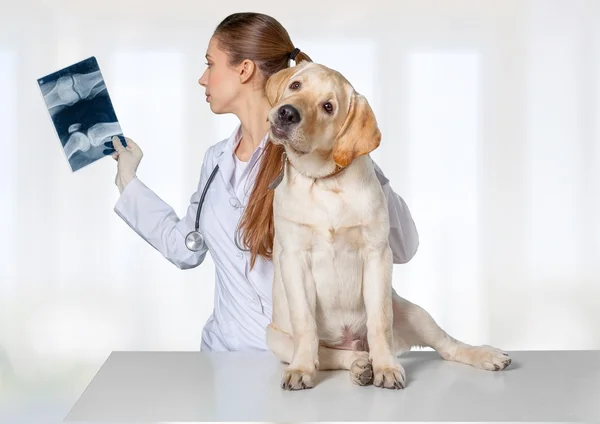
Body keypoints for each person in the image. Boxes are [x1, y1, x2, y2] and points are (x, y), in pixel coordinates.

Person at [109, 12, 419, 352]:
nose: (202, 78)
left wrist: (356, 158)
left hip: (295, 362)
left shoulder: (316, 161)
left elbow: (402, 247)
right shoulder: (216, 160)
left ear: (244, 70)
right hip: (222, 357)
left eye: (210, 64)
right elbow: (186, 247)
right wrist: (128, 177)